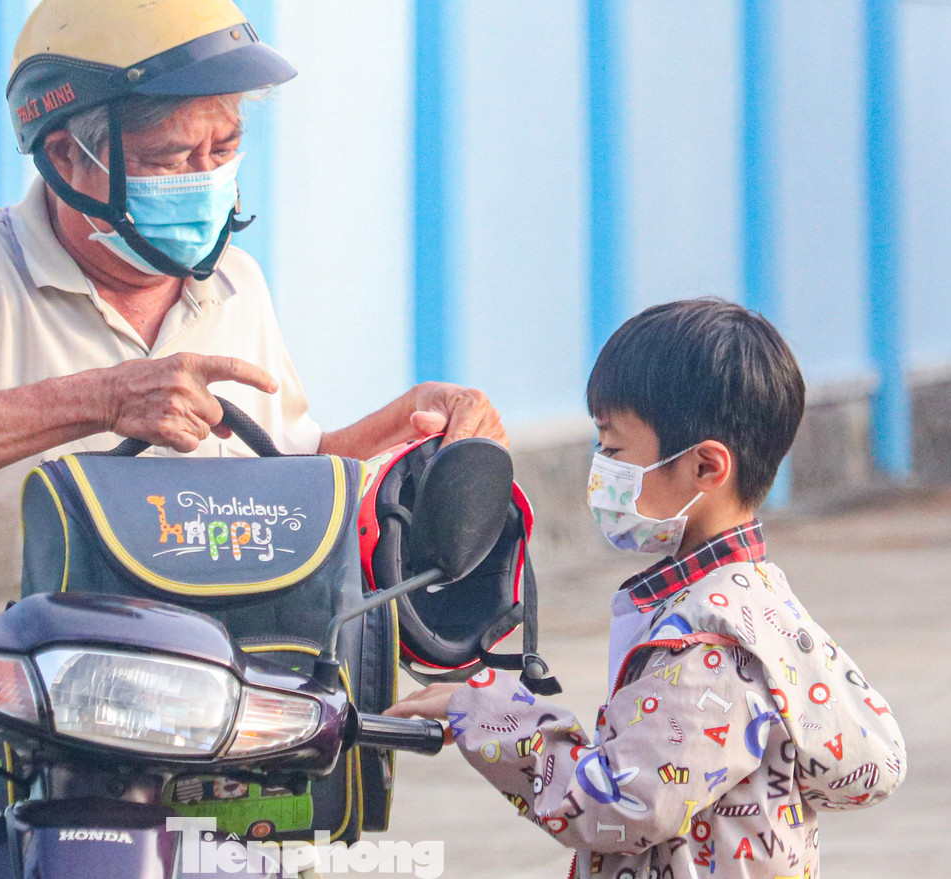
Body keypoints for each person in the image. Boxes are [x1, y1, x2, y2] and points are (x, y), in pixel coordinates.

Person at [0, 0, 506, 878]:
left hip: (214, 775)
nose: (205, 177)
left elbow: (281, 491)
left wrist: (395, 440)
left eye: (223, 148)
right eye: (169, 158)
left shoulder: (235, 284)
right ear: (67, 154)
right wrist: (103, 396)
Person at [387, 299, 905, 878]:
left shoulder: (709, 644)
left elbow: (624, 805)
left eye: (613, 449)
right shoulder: (753, 597)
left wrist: (489, 714)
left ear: (707, 467)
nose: (600, 469)